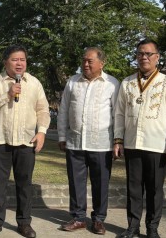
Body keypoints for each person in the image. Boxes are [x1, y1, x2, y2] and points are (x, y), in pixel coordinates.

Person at [0, 45, 50, 238]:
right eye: (14, 59)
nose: (19, 64)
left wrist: (42, 132)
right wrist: (7, 94)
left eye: (23, 60)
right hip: (0, 141)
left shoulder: (34, 83)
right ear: (5, 62)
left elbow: (43, 110)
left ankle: (24, 223)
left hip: (26, 141)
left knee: (24, 184)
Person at [113, 39, 166, 238]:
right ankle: (132, 227)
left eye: (148, 54)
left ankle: (152, 229)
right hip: (133, 143)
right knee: (133, 189)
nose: (144, 57)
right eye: (140, 53)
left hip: (156, 144)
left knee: (155, 190)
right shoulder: (128, 82)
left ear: (157, 57)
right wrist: (118, 139)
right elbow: (120, 114)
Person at [57, 47, 119, 235]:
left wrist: (118, 141)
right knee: (76, 182)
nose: (85, 64)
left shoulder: (112, 84)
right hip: (75, 142)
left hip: (102, 144)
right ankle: (78, 218)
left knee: (101, 183)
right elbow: (64, 110)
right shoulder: (73, 82)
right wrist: (61, 136)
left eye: (90, 61)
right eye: (84, 60)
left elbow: (118, 114)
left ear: (102, 63)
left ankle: (99, 220)